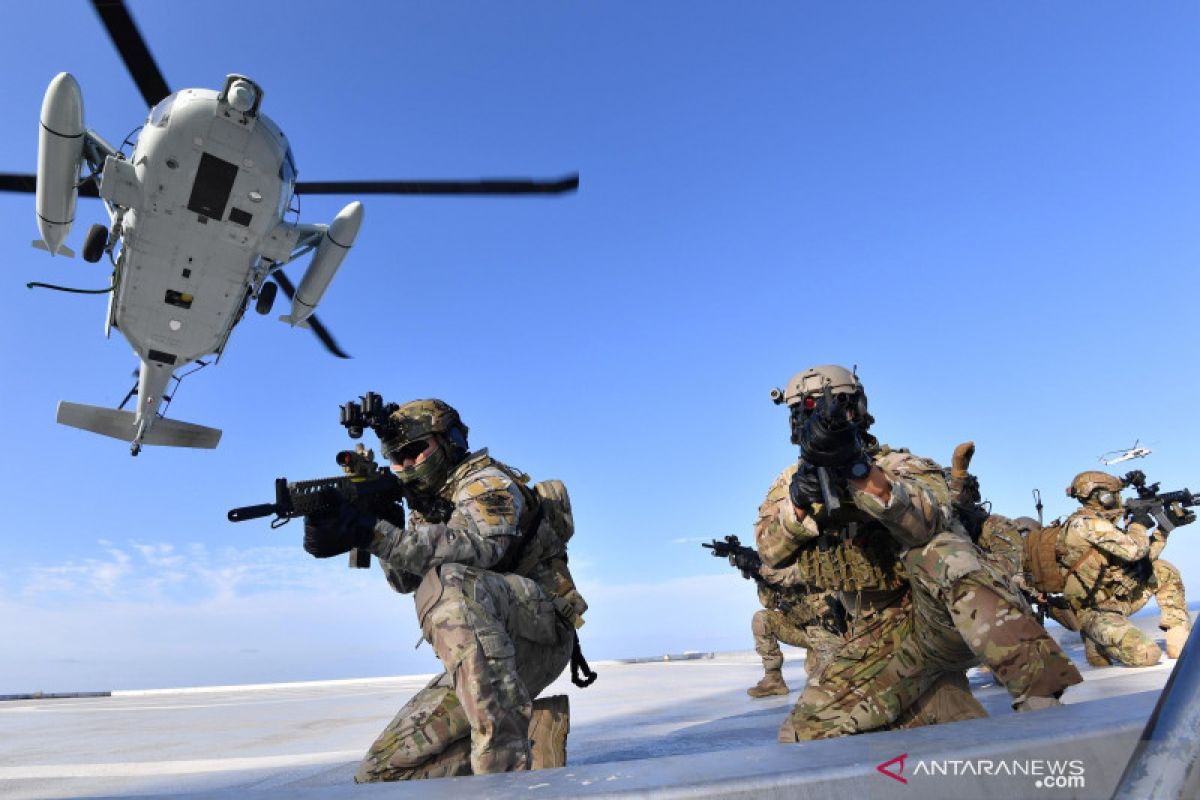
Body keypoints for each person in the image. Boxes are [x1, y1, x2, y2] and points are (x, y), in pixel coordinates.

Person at [756, 365, 1081, 741]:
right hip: (877, 637)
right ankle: (938, 703)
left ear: (857, 409)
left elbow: (927, 522)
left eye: (839, 406)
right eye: (807, 411)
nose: (821, 418)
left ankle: (1040, 700)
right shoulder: (788, 484)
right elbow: (769, 553)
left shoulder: (898, 465)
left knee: (938, 549)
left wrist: (858, 471)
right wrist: (798, 502)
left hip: (943, 619)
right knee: (804, 735)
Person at [301, 399, 590, 781]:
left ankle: (505, 776)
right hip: (489, 656)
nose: (406, 465)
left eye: (415, 451)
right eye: (396, 458)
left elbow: (480, 548)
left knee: (451, 582)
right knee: (381, 775)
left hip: (539, 634)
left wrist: (372, 531)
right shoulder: (427, 504)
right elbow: (404, 582)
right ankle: (540, 736)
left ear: (450, 439)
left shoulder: (486, 482)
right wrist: (381, 521)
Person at [1054, 471, 1192, 666]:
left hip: (1117, 600)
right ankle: (1095, 639)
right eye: (1115, 493)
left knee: (1163, 570)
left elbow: (1143, 559)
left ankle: (1180, 644)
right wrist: (1138, 524)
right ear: (1104, 496)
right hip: (1094, 612)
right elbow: (1134, 550)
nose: (1119, 498)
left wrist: (1165, 528)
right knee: (1147, 654)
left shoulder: (1102, 525)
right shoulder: (1085, 525)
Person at [744, 573, 845, 697]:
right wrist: (762, 578)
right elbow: (768, 603)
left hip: (827, 630)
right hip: (800, 629)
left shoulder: (815, 565)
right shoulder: (780, 571)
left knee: (819, 677)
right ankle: (773, 679)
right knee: (762, 618)